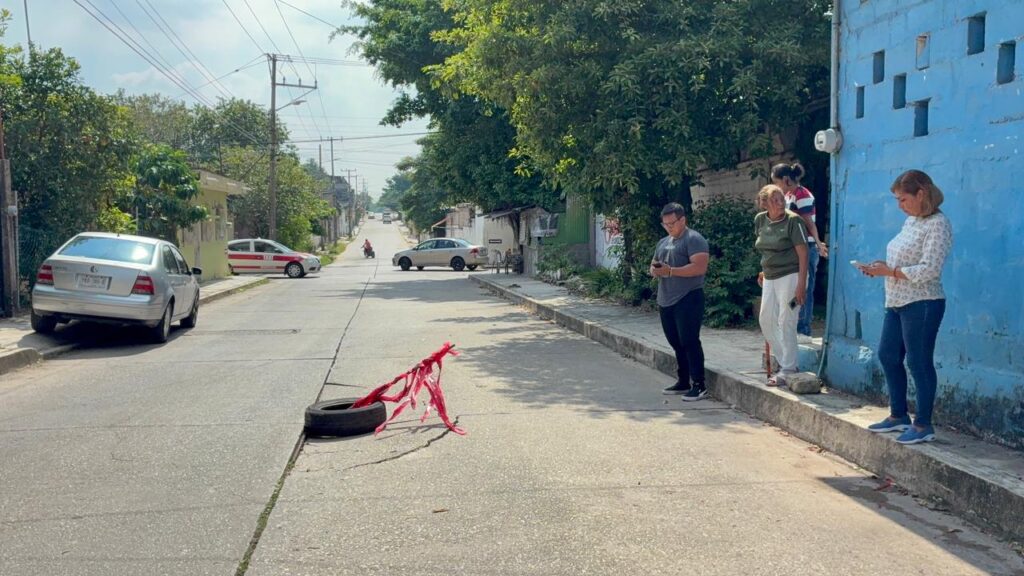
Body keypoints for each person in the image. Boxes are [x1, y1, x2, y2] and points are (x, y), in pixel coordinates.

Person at [858, 170, 952, 445]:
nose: (900, 205)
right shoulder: (911, 222)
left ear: (921, 194)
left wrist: (891, 271)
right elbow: (899, 260)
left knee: (918, 362)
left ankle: (923, 424)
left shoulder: (938, 224)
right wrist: (881, 268)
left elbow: (930, 269)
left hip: (923, 302)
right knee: (888, 355)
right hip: (897, 301)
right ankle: (898, 415)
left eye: (903, 199)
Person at [650, 202, 711, 402]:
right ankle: (683, 380)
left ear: (682, 220)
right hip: (666, 298)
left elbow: (699, 267)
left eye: (672, 223)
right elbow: (654, 263)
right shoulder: (663, 242)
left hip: (688, 297)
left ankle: (699, 384)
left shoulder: (694, 239)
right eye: (665, 224)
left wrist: (670, 271)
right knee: (675, 342)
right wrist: (655, 270)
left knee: (689, 340)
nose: (669, 227)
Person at [755, 185, 809, 387]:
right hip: (770, 275)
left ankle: (788, 367)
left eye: (781, 199)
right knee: (766, 320)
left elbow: (803, 253)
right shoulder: (760, 219)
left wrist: (801, 284)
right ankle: (785, 360)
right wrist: (764, 268)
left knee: (787, 319)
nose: (780, 203)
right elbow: (764, 248)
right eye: (775, 200)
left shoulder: (793, 220)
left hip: (792, 275)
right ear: (765, 204)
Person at [771, 163, 828, 337]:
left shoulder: (802, 195)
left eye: (777, 182)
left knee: (804, 289)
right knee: (793, 288)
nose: (776, 186)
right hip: (794, 248)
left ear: (786, 179)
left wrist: (818, 243)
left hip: (806, 247)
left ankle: (802, 328)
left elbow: (809, 222)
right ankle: (791, 324)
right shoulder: (789, 195)